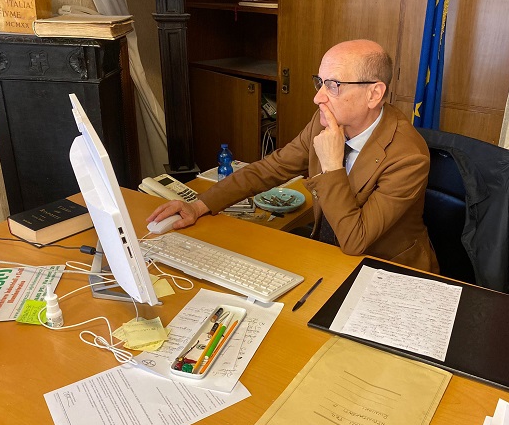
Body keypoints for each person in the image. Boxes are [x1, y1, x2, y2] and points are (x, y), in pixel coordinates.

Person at [147, 39, 438, 273]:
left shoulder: (408, 156)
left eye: (333, 86)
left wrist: (332, 165)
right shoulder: (324, 121)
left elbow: (355, 240)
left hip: (385, 271)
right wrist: (199, 205)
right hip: (328, 254)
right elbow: (271, 169)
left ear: (374, 94)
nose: (318, 97)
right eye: (320, 82)